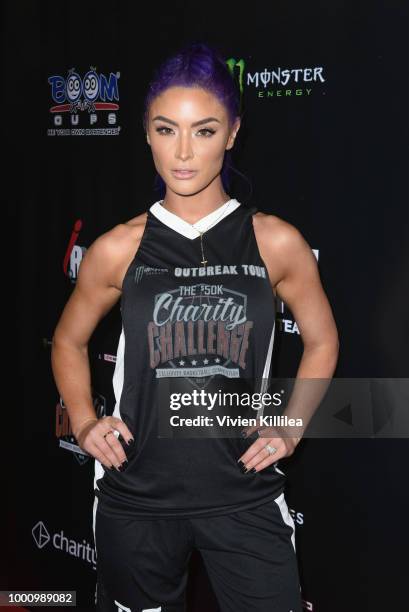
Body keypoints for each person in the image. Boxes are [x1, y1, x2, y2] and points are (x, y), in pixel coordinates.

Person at [51, 41, 339, 612]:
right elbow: (67, 339)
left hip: (243, 493)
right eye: (166, 129)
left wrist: (292, 425)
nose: (183, 152)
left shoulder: (274, 241)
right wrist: (84, 422)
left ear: (231, 134)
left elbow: (322, 339)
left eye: (203, 131)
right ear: (146, 133)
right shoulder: (117, 248)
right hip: (135, 495)